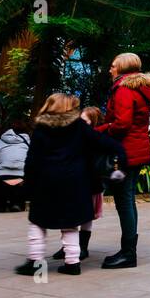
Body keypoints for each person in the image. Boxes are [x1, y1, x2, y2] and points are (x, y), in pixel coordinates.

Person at [16, 93, 124, 277]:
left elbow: (32, 159)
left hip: (45, 182)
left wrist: (28, 182)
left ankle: (35, 262)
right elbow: (104, 142)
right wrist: (119, 156)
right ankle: (72, 263)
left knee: (37, 221)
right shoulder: (79, 127)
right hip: (74, 182)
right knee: (70, 223)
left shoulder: (42, 128)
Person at [94, 55, 150, 270]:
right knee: (128, 199)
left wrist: (99, 131)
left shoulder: (123, 89)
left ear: (123, 68)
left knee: (124, 200)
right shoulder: (141, 88)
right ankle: (129, 250)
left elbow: (121, 124)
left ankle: (128, 253)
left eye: (112, 66)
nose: (110, 69)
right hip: (136, 149)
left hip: (125, 151)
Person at [51, 107, 122, 263]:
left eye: (84, 121)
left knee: (86, 216)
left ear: (93, 122)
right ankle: (68, 246)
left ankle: (82, 247)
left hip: (91, 182)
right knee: (70, 214)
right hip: (75, 181)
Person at [0, 119, 30, 213]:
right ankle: (17, 204)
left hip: (1, 177)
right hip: (21, 178)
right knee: (20, 188)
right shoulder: (29, 143)